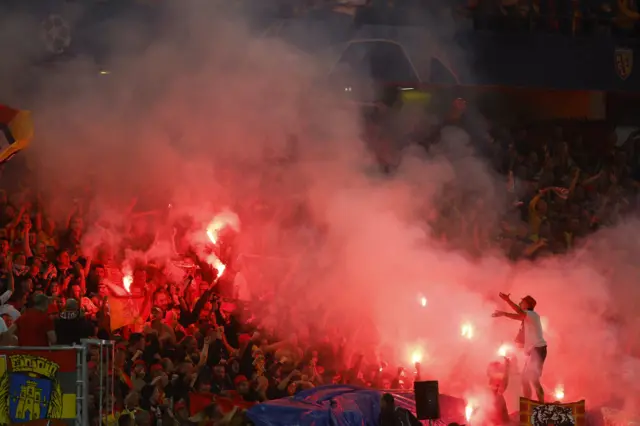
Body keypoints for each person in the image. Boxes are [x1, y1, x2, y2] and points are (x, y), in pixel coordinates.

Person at [492, 293, 547, 402]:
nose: (520, 303)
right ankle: (530, 403)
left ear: (527, 304)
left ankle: (540, 405)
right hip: (534, 351)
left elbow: (518, 313)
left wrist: (507, 301)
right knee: (526, 379)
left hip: (538, 350)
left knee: (532, 379)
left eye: (522, 302)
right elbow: (516, 316)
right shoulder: (527, 317)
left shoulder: (532, 314)